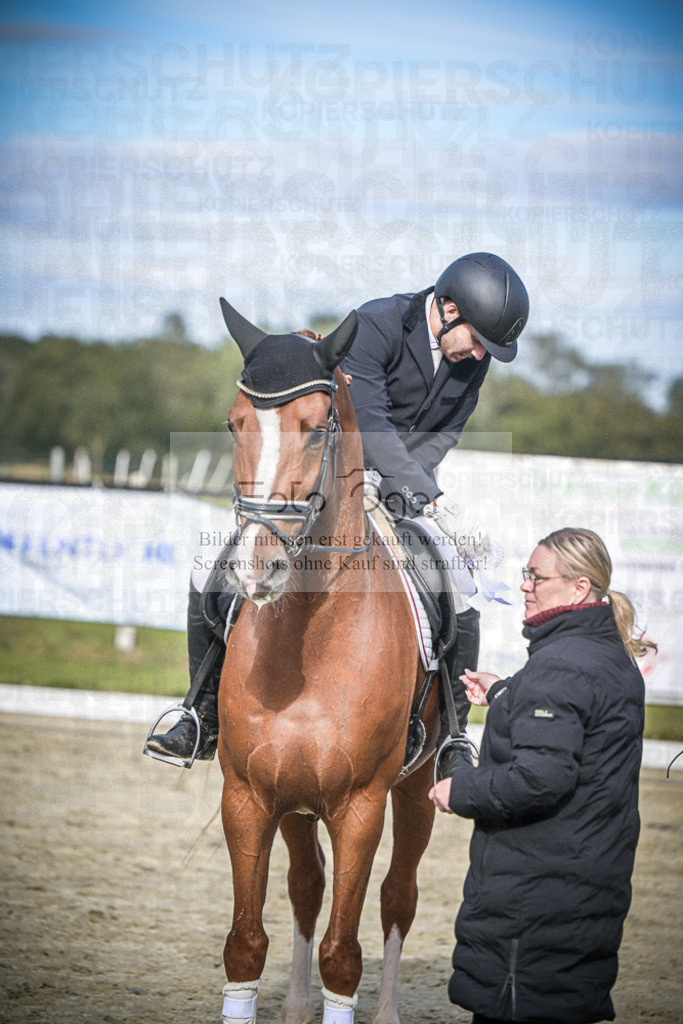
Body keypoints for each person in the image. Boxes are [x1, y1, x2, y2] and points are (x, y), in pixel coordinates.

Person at [145, 253, 529, 773]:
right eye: (480, 339)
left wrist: (414, 493)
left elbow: (446, 431)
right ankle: (200, 715)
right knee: (206, 567)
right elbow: (367, 421)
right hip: (329, 477)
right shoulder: (377, 325)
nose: (481, 353)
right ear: (451, 308)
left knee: (458, 580)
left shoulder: (471, 361)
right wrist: (411, 488)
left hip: (400, 488)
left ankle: (453, 739)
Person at [428, 527, 656, 1024]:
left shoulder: (561, 666)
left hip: (535, 909)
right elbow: (572, 716)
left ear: (578, 588)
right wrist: (508, 693)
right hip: (579, 889)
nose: (526, 585)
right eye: (525, 574)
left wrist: (459, 788)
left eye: (536, 576)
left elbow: (539, 779)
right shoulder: (599, 655)